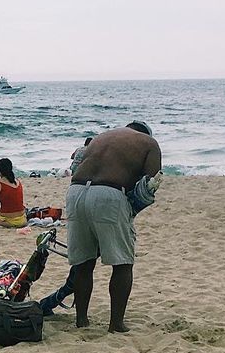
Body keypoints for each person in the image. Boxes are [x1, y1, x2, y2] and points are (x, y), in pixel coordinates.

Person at [66, 121, 162, 333]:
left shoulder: (101, 137)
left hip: (75, 192)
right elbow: (150, 184)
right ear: (146, 133)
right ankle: (116, 324)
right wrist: (130, 210)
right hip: (109, 194)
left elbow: (75, 165)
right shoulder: (149, 143)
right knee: (122, 263)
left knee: (83, 262)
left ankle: (81, 320)